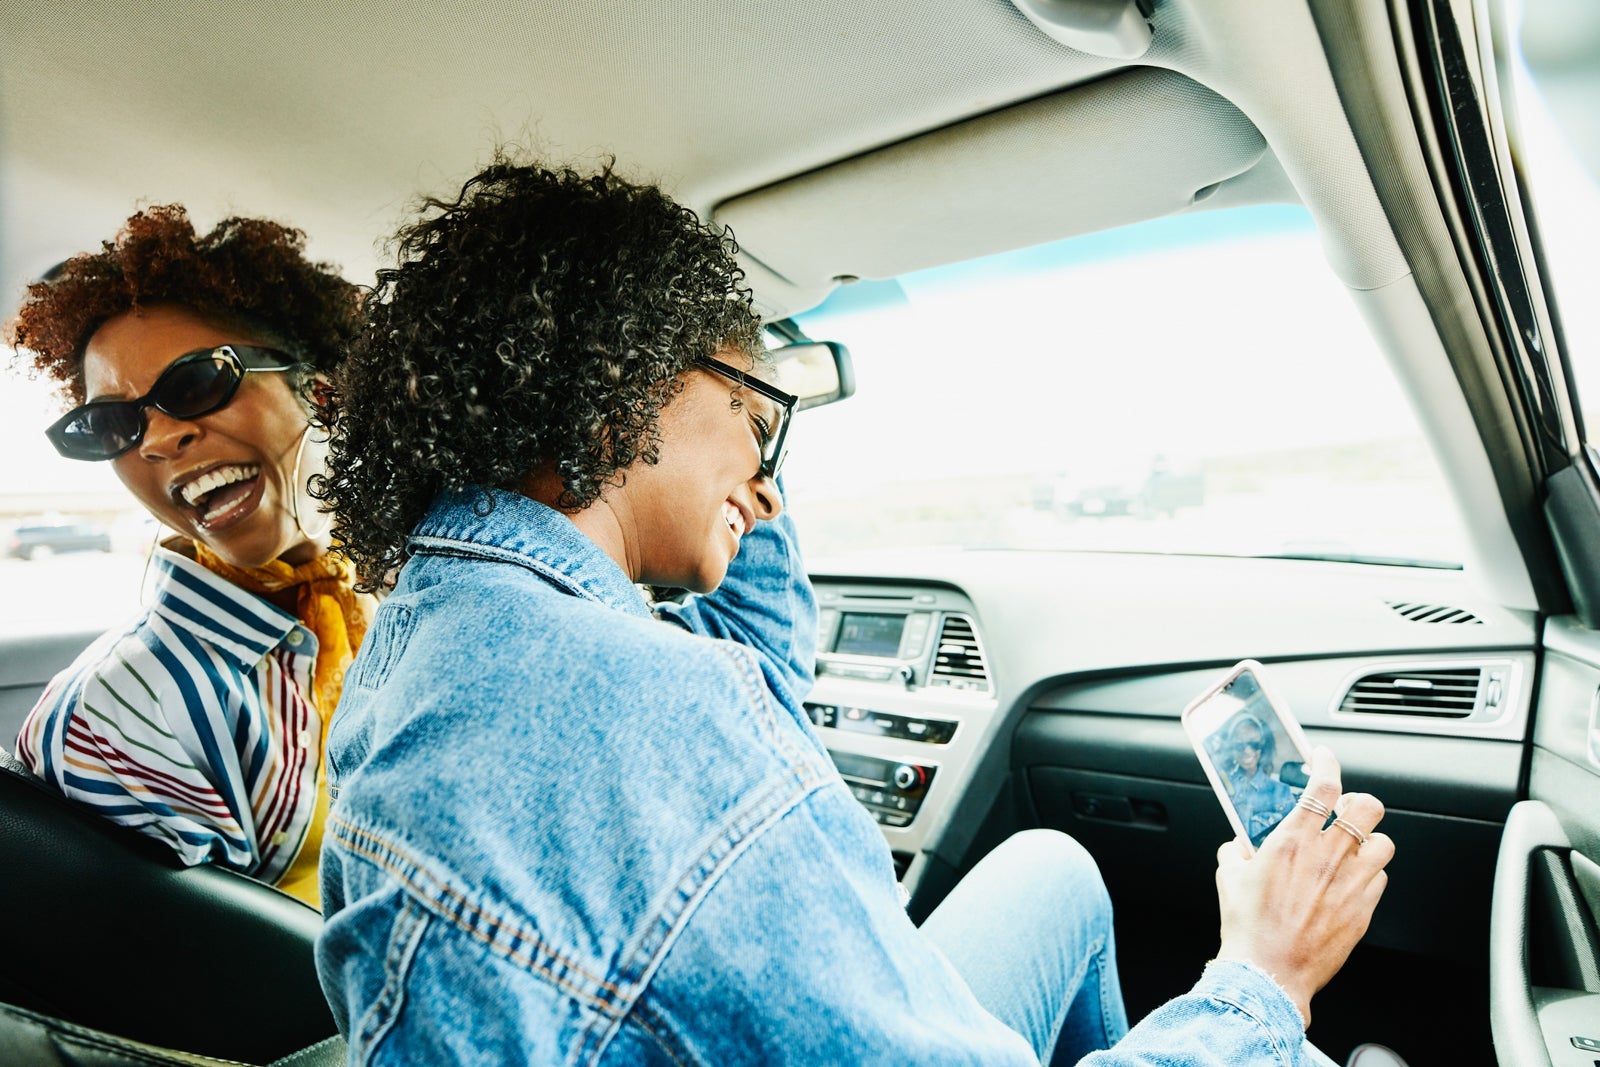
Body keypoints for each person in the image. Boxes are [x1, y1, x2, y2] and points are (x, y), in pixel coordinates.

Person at [313, 157, 1395, 1064]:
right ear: (617, 386)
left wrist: (738, 453)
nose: (771, 483)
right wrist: (1263, 977)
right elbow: (719, 716)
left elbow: (763, 666)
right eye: (752, 415)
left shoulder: (414, 644)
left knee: (1053, 870)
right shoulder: (654, 712)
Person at [5, 205, 370, 908]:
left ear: (318, 392)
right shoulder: (123, 708)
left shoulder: (400, 601)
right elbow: (220, 986)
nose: (157, 440)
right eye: (113, 422)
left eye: (198, 382)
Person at [1219, 712, 1301, 849]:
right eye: (1240, 745)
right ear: (1232, 748)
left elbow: (1295, 838)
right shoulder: (1222, 786)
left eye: (1254, 744)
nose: (1247, 750)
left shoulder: (1281, 792)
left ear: (1262, 747)